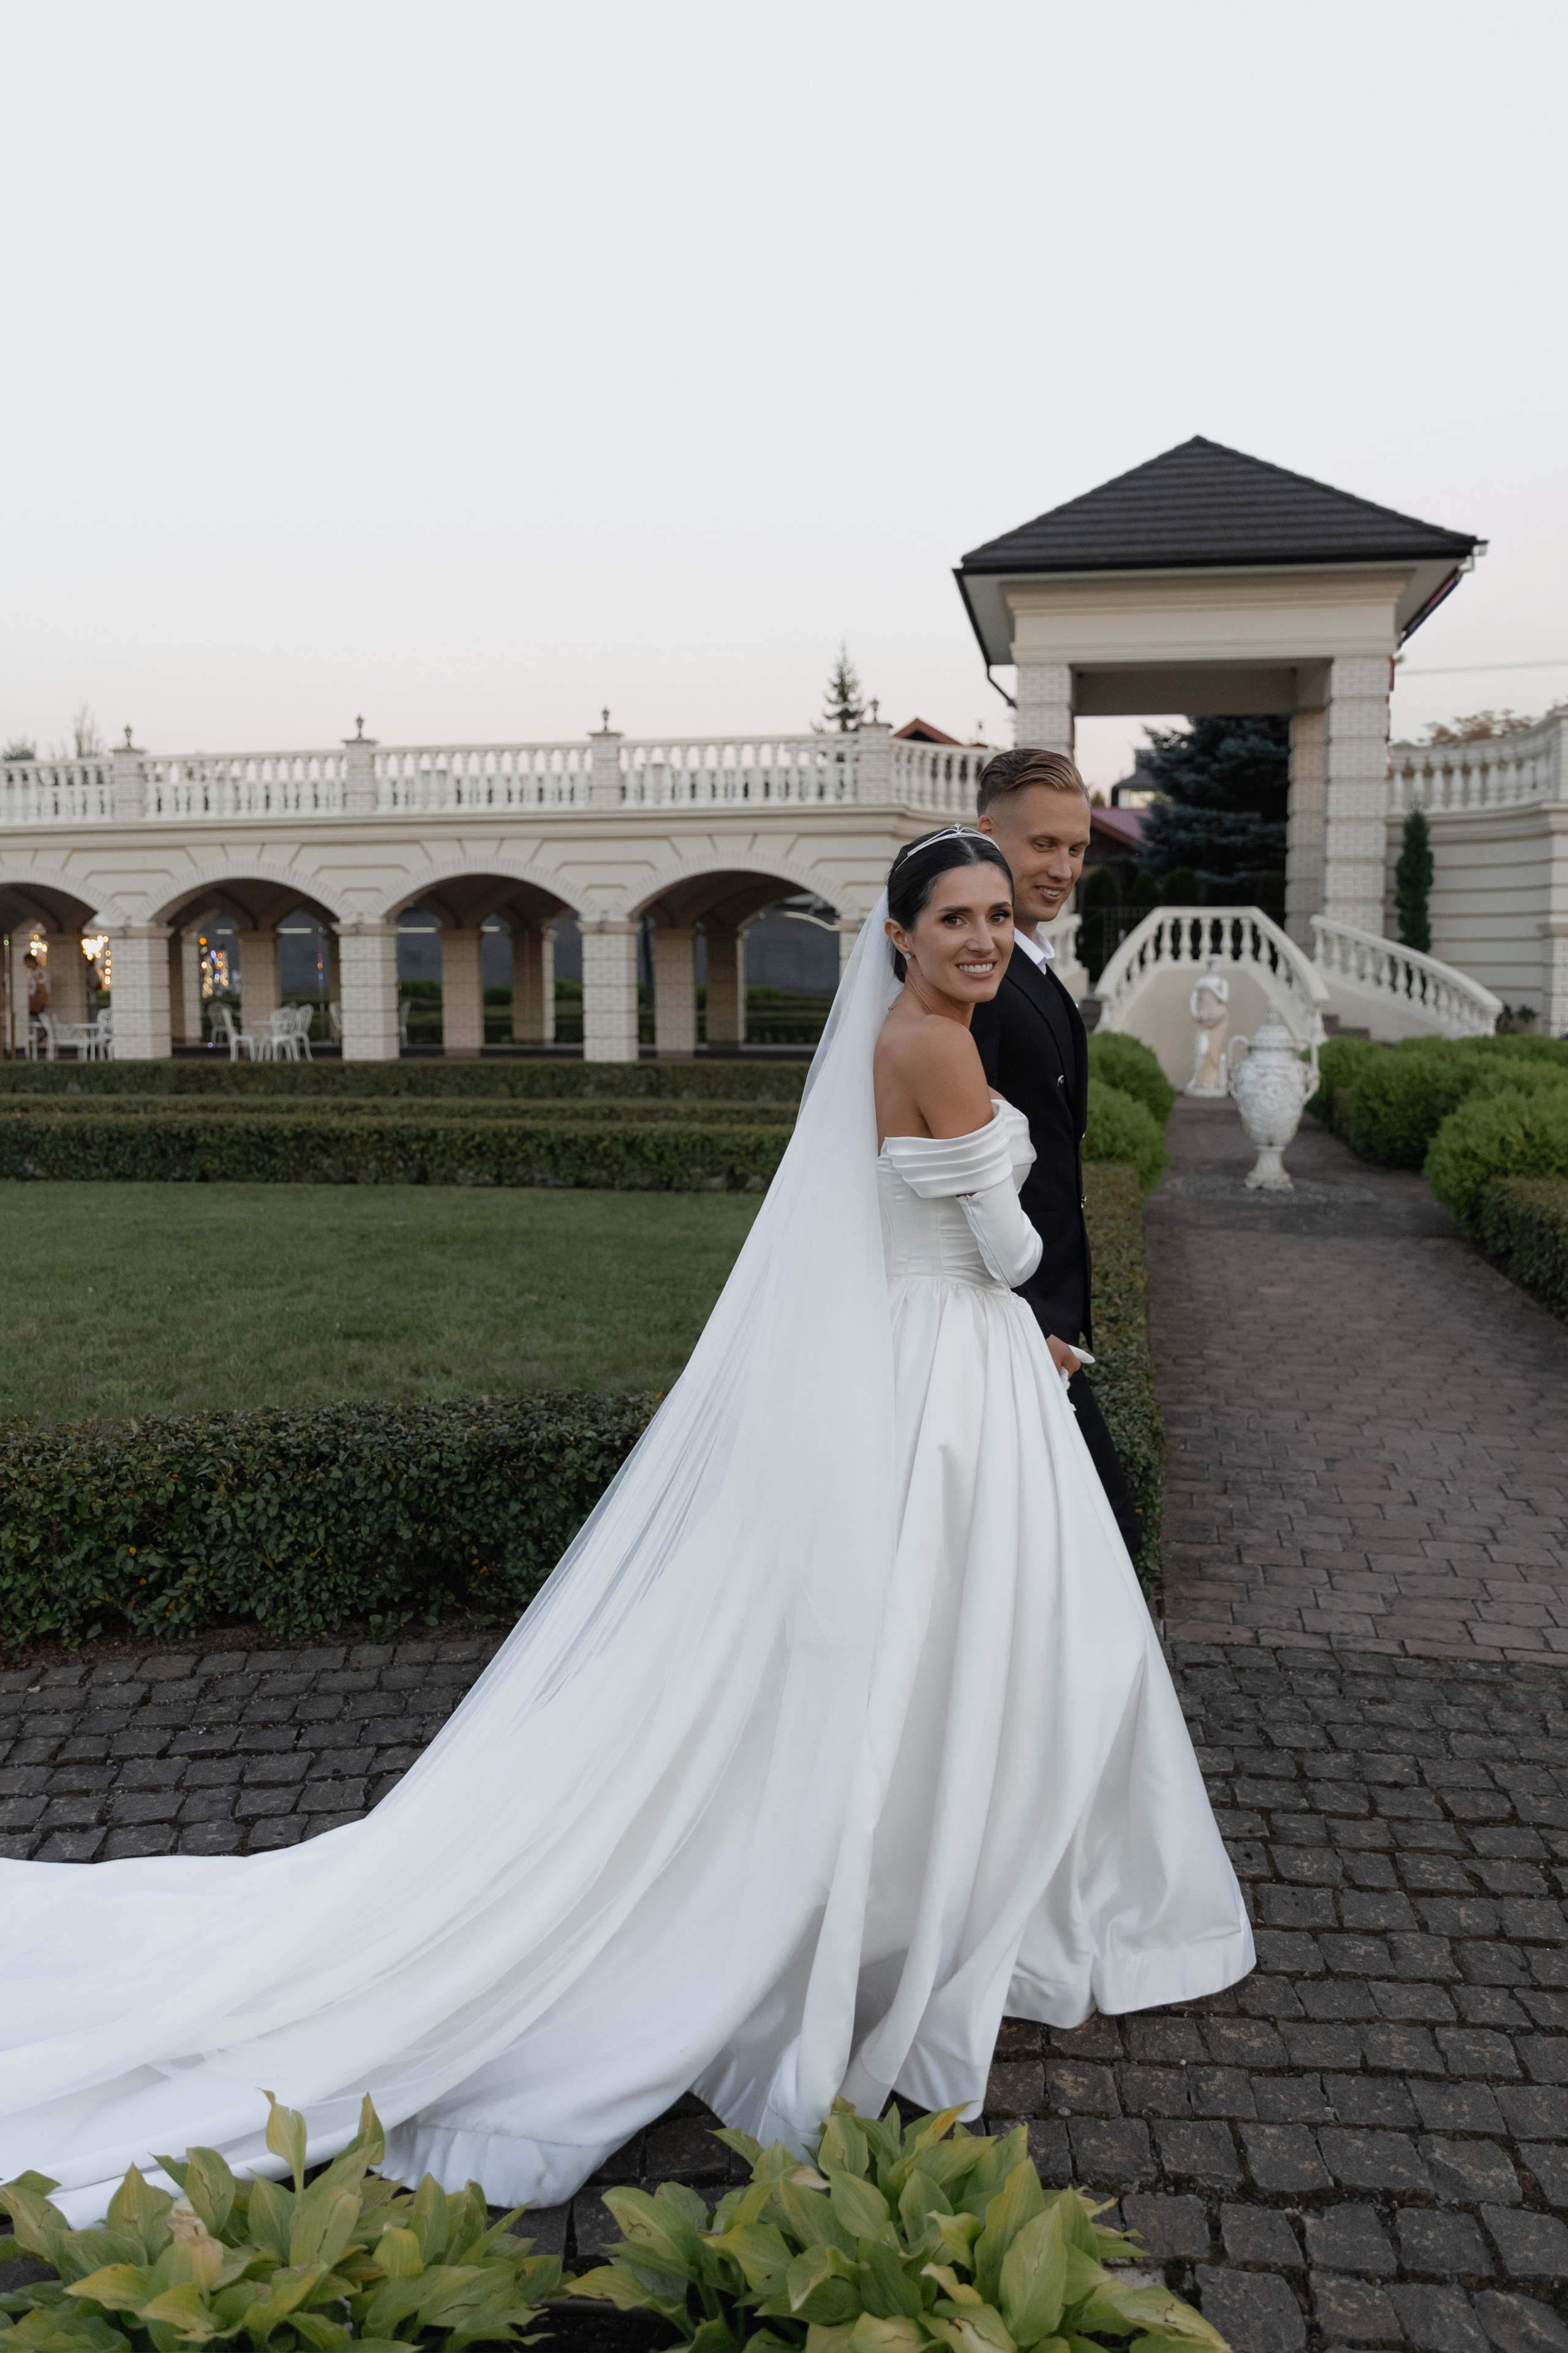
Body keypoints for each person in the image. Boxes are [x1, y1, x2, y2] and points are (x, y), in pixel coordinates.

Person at [0, 833, 1251, 2224]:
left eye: (992, 915)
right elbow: (1009, 1254)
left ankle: (902, 1879)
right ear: (894, 936)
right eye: (950, 918)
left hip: (913, 1354)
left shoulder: (903, 1032)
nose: (978, 938)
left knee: (914, 1631)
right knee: (976, 1634)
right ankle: (934, 1895)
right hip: (954, 1363)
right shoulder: (943, 1048)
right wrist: (1034, 1298)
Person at [970, 750, 1139, 1554]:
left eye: (1077, 848)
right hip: (1013, 1319)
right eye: (1043, 845)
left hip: (1047, 1310)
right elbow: (955, 1171)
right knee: (1102, 1535)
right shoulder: (979, 980)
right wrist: (1026, 1323)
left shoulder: (1029, 963)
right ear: (987, 833)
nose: (1065, 867)